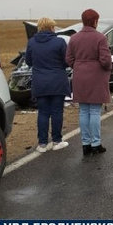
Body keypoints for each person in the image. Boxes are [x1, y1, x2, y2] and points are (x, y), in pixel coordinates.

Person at [66, 9, 112, 155]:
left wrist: (78, 66)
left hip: (80, 76)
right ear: (95, 21)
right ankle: (96, 143)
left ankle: (85, 143)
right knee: (94, 111)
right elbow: (105, 60)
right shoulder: (100, 38)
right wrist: (107, 67)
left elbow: (68, 59)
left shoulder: (74, 38)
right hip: (96, 77)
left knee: (84, 111)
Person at [25, 17, 71, 153]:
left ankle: (42, 144)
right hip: (57, 81)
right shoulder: (60, 42)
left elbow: (28, 61)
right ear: (52, 27)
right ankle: (57, 141)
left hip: (40, 82)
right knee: (57, 111)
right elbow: (67, 61)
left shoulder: (32, 42)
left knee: (43, 112)